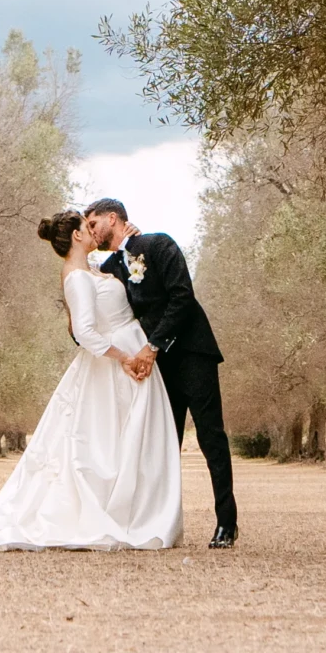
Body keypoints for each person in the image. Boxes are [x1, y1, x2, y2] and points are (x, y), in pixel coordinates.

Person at [0, 210, 182, 551]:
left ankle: (135, 513)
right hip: (113, 367)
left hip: (132, 356)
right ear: (77, 235)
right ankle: (109, 516)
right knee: (100, 446)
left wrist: (129, 243)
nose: (93, 231)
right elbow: (84, 331)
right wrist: (124, 358)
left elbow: (125, 280)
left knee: (132, 441)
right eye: (87, 226)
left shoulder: (94, 270)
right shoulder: (76, 276)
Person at [83, 198, 237, 548]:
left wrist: (152, 347)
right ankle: (160, 523)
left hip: (192, 353)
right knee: (163, 444)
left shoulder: (158, 244)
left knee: (211, 437)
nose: (92, 231)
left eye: (94, 224)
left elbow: (182, 296)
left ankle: (226, 523)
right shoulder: (111, 267)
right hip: (155, 367)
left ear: (113, 218)